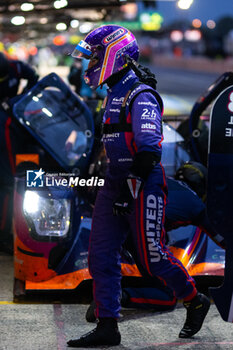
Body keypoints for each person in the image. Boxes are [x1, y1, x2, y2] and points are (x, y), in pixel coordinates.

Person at [67, 25, 210, 348]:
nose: (89, 64)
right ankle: (108, 326)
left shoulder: (139, 94)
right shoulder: (114, 93)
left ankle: (194, 299)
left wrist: (128, 189)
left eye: (95, 57)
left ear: (114, 56)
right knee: (101, 256)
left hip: (143, 183)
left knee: (152, 257)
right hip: (114, 183)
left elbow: (148, 152)